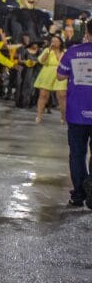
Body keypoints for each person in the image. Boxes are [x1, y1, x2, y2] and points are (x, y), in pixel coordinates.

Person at [58, 27, 92, 208]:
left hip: (77, 112)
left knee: (78, 154)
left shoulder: (73, 52)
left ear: (87, 33)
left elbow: (60, 75)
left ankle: (79, 194)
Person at [35, 34, 68, 123]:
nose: (54, 43)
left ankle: (63, 117)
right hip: (47, 72)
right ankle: (39, 116)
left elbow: (67, 62)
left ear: (60, 42)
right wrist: (49, 50)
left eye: (56, 41)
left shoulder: (65, 51)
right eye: (52, 41)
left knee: (62, 96)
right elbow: (41, 60)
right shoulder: (47, 50)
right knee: (43, 95)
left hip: (60, 73)